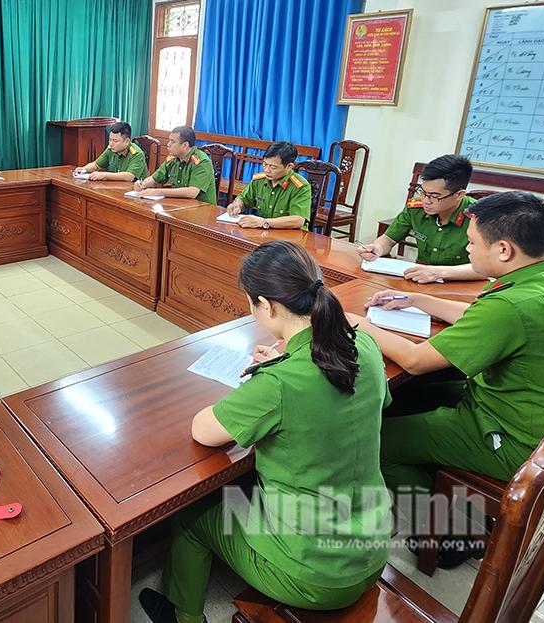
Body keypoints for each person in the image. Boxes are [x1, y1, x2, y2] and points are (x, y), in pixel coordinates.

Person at [140, 241, 390, 623]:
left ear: (267, 305)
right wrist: (285, 363)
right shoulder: (365, 346)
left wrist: (268, 377)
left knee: (194, 516)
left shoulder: (279, 383)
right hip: (372, 548)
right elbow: (371, 400)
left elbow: (204, 431)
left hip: (316, 573)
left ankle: (182, 615)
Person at [352, 192, 544, 564]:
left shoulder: (512, 305)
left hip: (519, 440)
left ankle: (451, 533)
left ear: (503, 249)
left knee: (376, 442)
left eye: (471, 242)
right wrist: (417, 300)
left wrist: (356, 324)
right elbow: (480, 317)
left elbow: (415, 360)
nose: (467, 251)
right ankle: (441, 483)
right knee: (411, 396)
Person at [357, 155, 485, 283]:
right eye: (423, 192)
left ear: (459, 195)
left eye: (434, 196)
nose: (426, 201)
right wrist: (377, 248)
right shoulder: (416, 208)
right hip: (421, 280)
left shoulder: (480, 218)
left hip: (462, 285)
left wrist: (439, 273)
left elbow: (487, 269)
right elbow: (389, 239)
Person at [225, 141, 311, 231]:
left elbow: (298, 220)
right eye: (264, 164)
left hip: (289, 239)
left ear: (289, 166)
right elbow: (244, 199)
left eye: (273, 167)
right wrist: (237, 205)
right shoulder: (260, 180)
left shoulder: (300, 186)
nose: (266, 170)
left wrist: (263, 222)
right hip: (264, 233)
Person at [133, 126, 216, 204]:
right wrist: (143, 184)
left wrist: (157, 192)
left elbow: (192, 192)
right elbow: (155, 178)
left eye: (172, 141)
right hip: (178, 205)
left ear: (185, 145)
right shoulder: (172, 159)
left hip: (201, 209)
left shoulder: (201, 161)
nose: (168, 144)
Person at [73, 121, 148, 181]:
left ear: (126, 141)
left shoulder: (136, 153)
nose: (111, 144)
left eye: (115, 141)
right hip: (115, 187)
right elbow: (96, 165)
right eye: (110, 140)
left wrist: (104, 175)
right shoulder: (111, 149)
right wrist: (83, 169)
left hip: (135, 191)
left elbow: (129, 176)